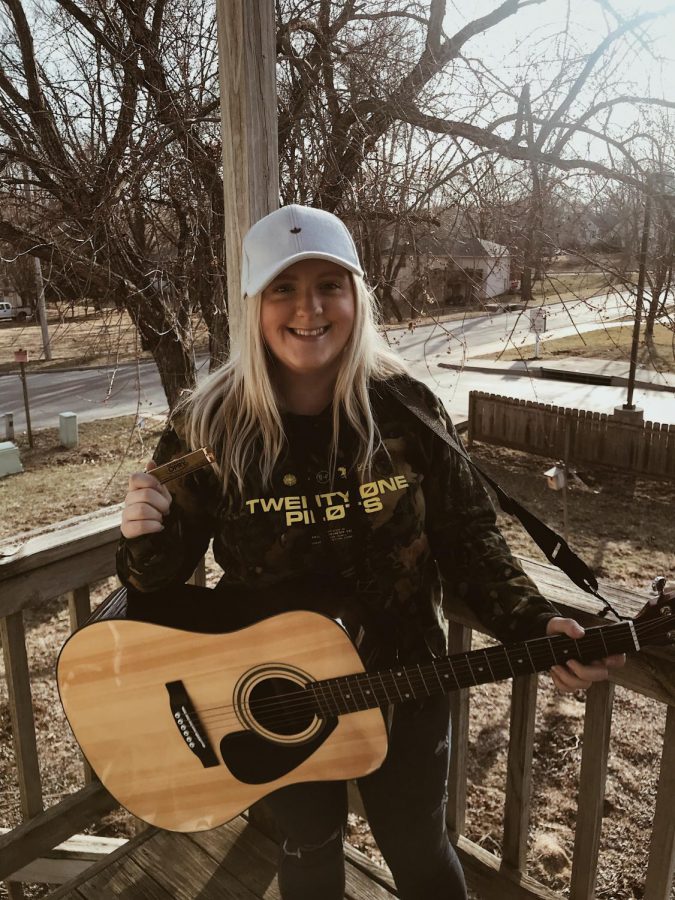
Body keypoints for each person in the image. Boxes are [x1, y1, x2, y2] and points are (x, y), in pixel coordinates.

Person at [117, 204, 624, 900]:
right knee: (308, 849)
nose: (308, 308)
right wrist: (145, 538)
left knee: (419, 849)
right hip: (271, 696)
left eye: (329, 284)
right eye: (284, 289)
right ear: (253, 306)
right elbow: (158, 586)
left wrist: (533, 623)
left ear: (357, 295)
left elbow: (471, 541)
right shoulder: (206, 426)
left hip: (404, 685)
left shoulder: (408, 409)